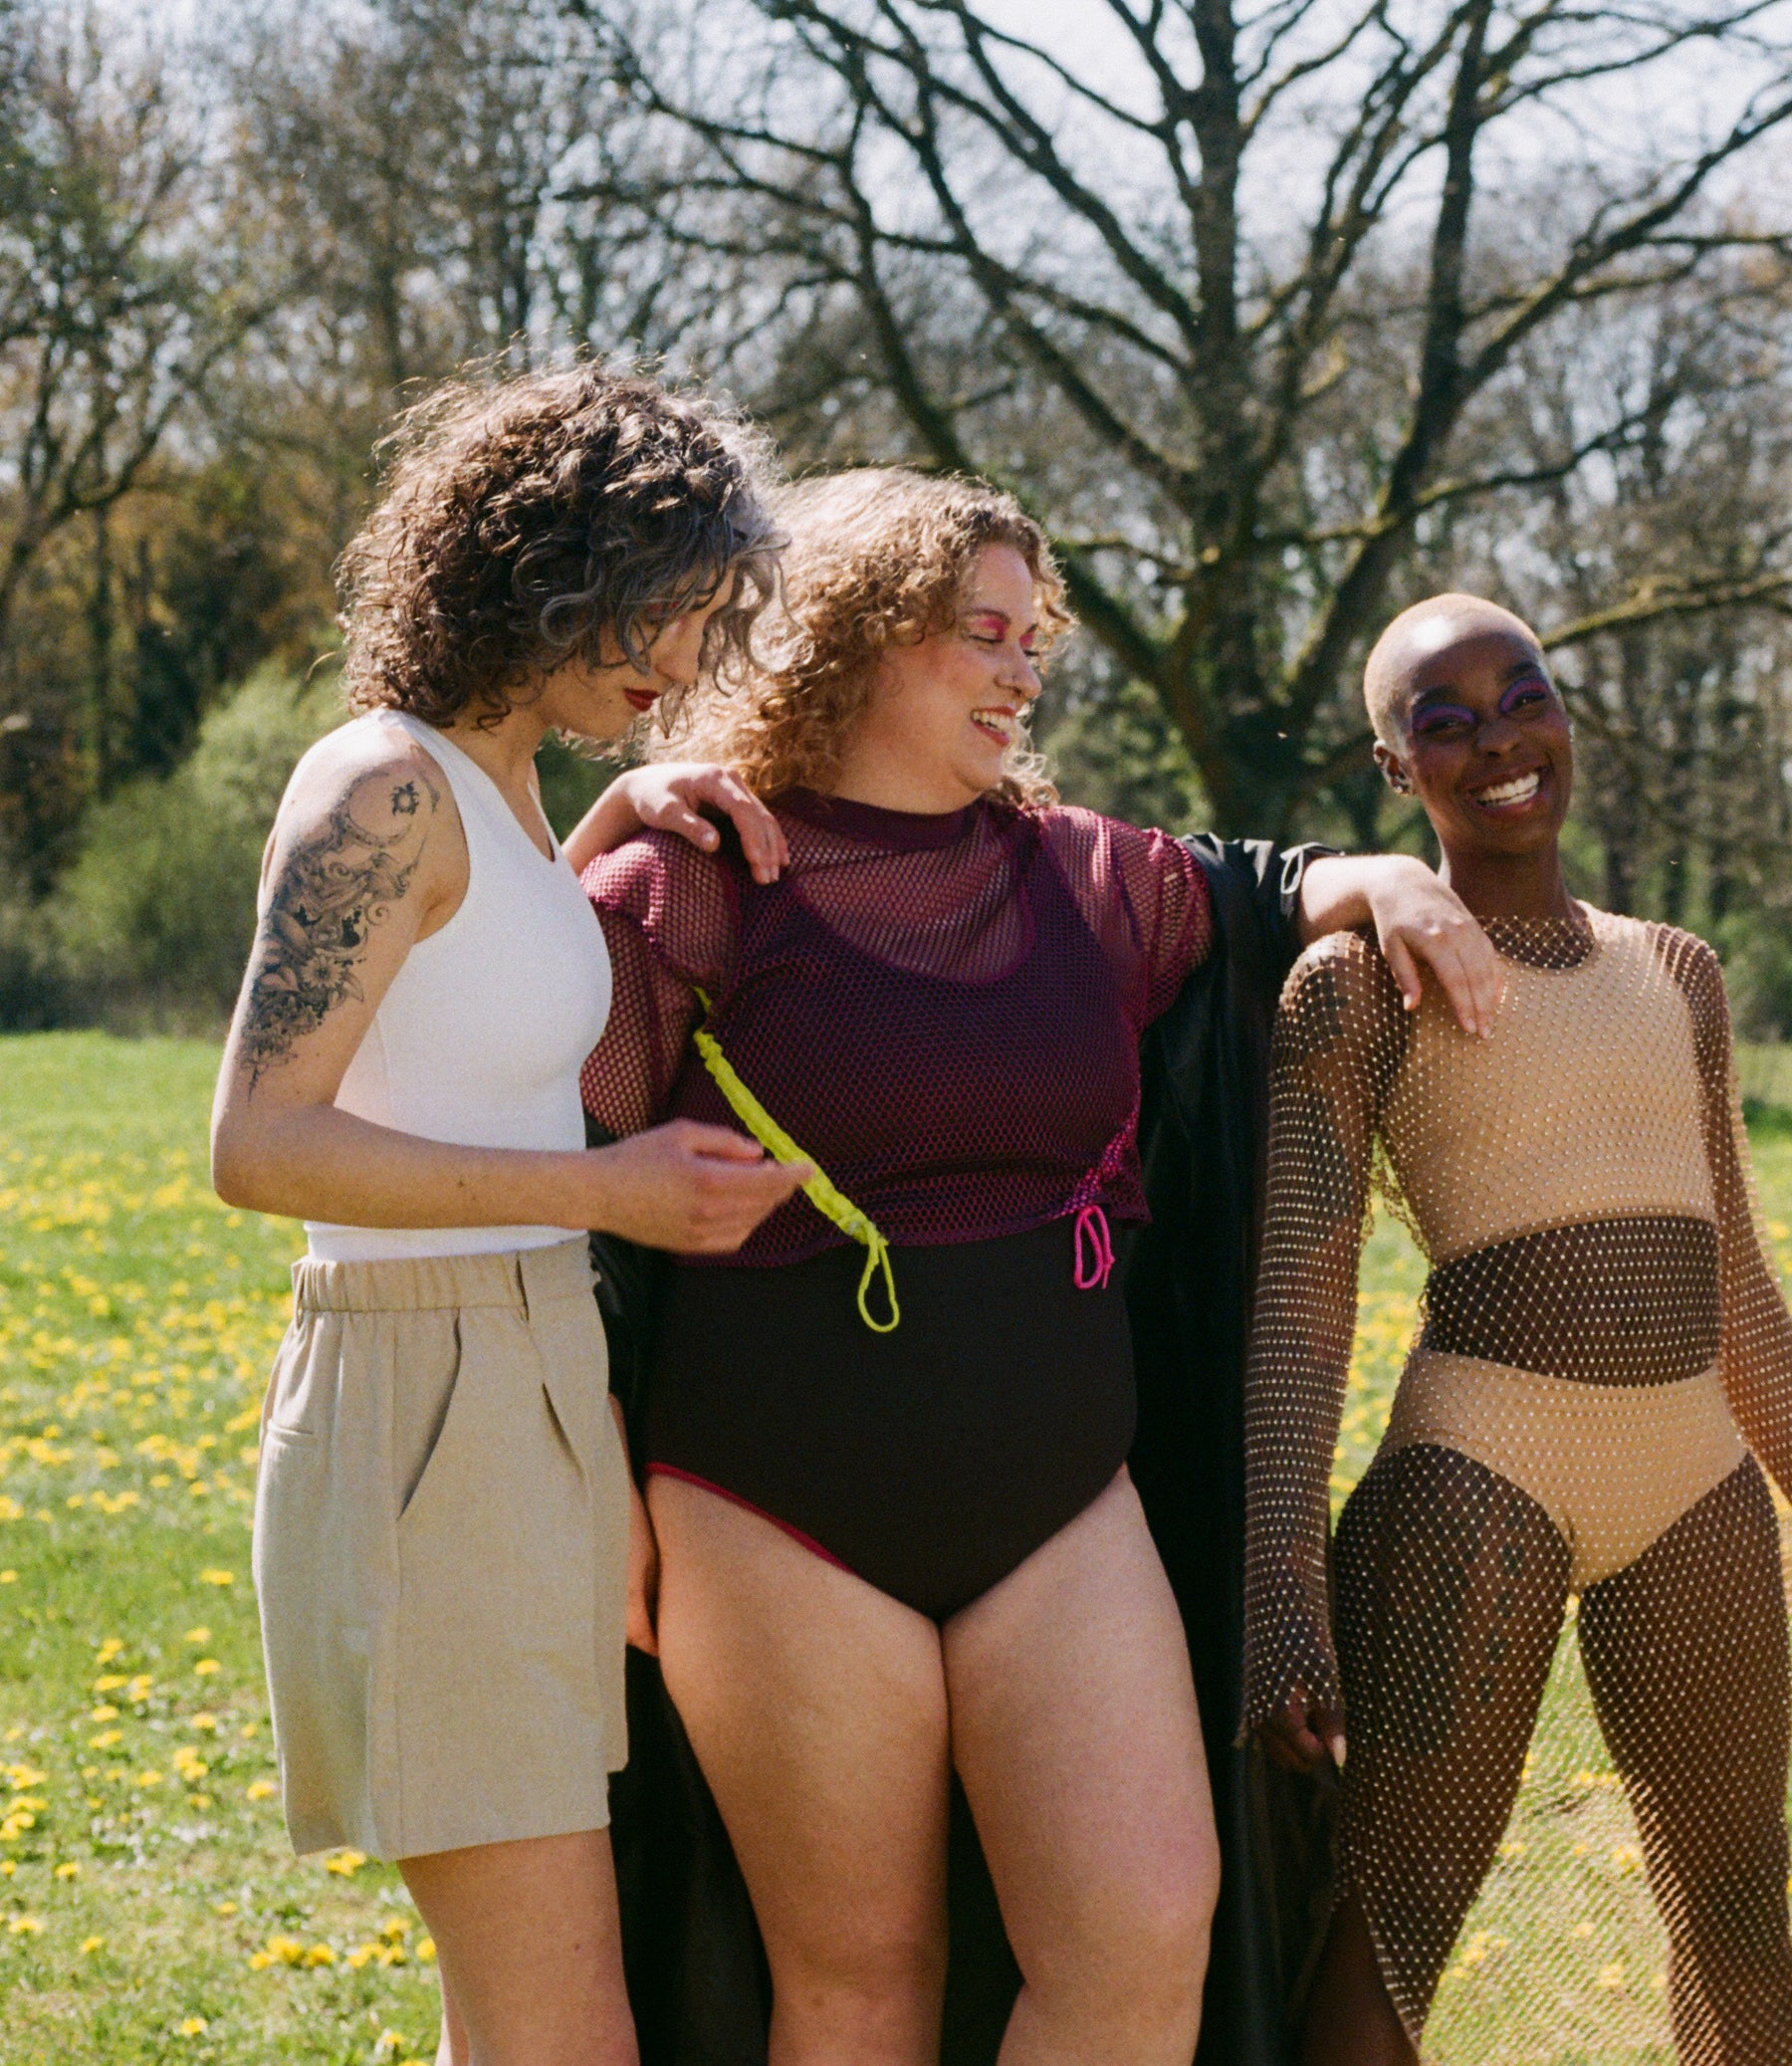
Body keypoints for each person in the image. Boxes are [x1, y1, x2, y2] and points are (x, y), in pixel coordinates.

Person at [574, 469, 1502, 2066]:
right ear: (851, 638)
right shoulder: (688, 886)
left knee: (1142, 1941)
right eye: (976, 633)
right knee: (860, 1985)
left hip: (1060, 1505)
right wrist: (596, 1507)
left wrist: (1385, 875)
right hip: (767, 1506)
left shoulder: (1092, 879)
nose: (1020, 671)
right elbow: (549, 1203)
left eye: (1031, 638)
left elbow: (1260, 897)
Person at [211, 365, 810, 2066]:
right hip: (423, 1400)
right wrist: (609, 1195)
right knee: (560, 2017)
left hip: (532, 1381)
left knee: (536, 2010)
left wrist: (605, 834)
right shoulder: (377, 789)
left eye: (703, 626)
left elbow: (464, 1030)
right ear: (537, 561)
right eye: (654, 612)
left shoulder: (503, 784)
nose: (678, 667)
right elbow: (261, 1147)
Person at [1240, 593, 1792, 2066]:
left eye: (1522, 694)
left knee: (1737, 1907)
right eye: (1446, 718)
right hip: (1481, 1474)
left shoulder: (1674, 970)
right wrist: (1280, 1579)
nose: (1498, 739)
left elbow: (1733, 1276)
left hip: (1692, 1475)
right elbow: (1303, 1301)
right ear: (1390, 766)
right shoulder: (1354, 982)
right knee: (1401, 1914)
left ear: (1567, 716)